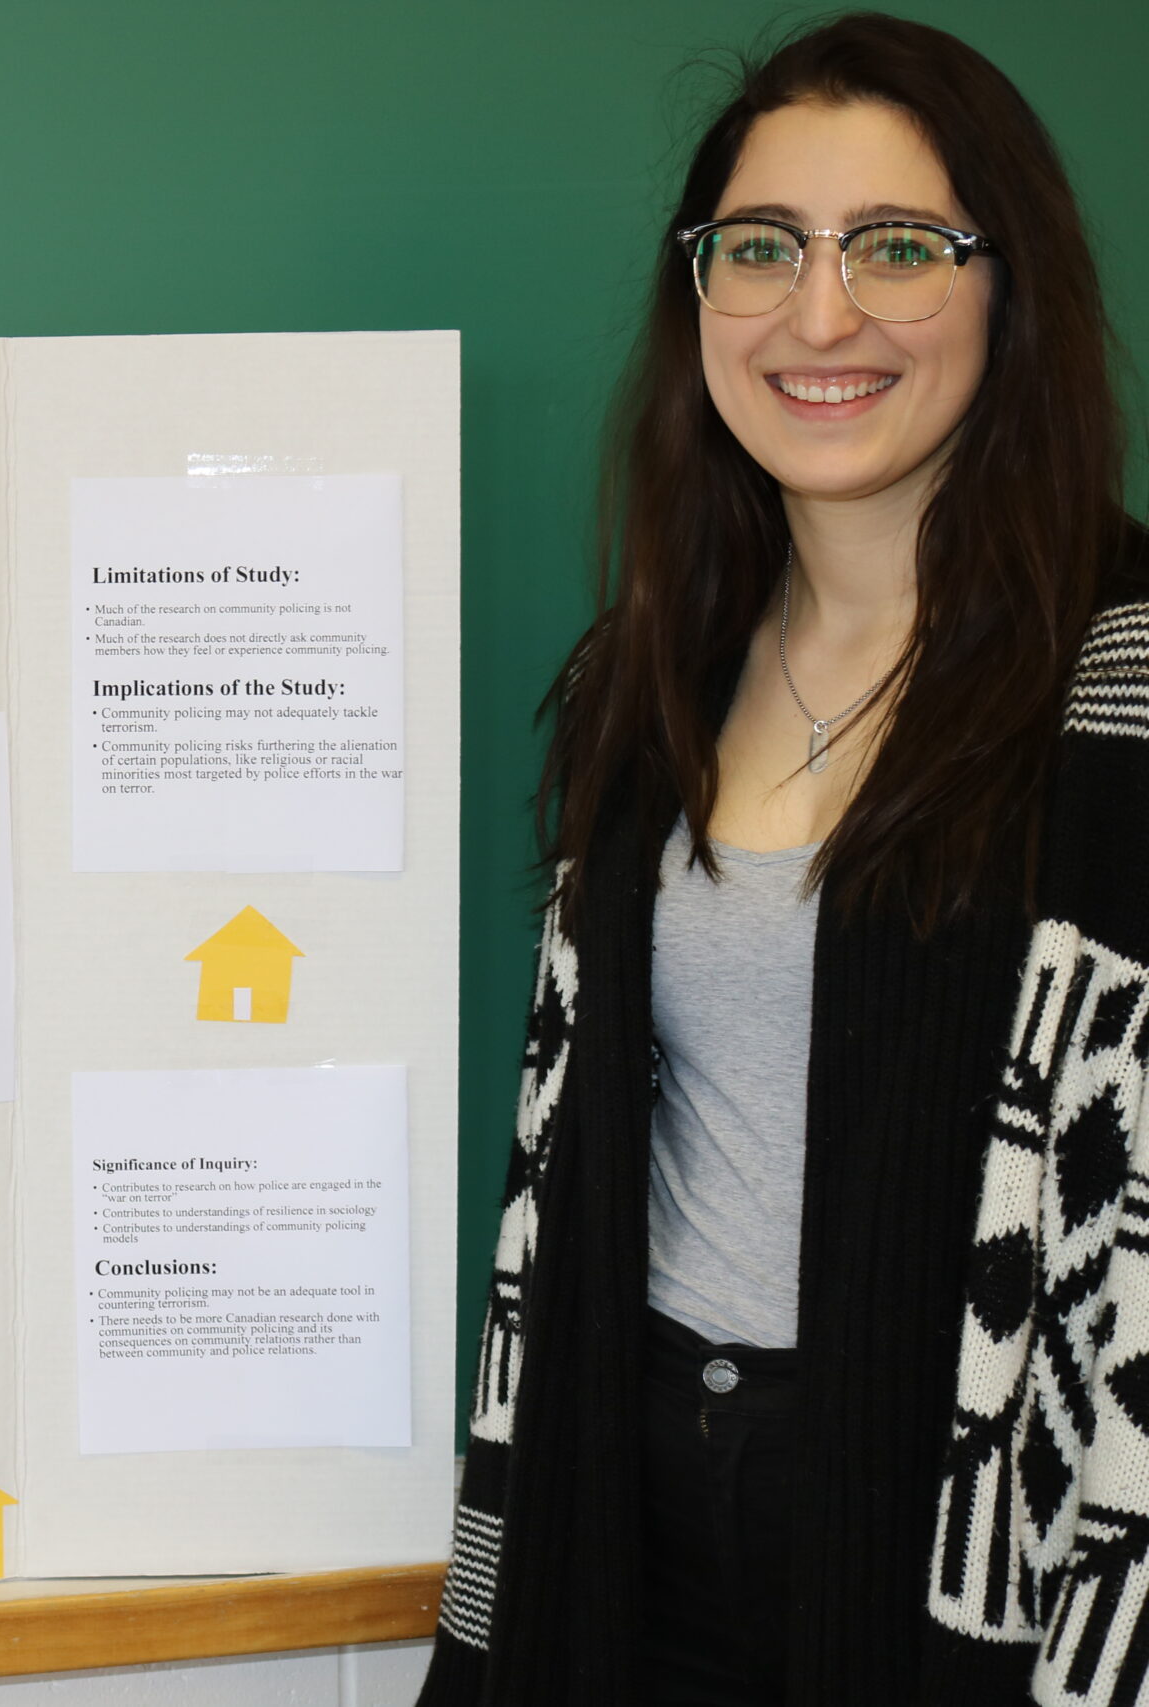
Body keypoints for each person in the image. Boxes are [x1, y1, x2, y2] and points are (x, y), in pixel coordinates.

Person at [418, 13, 1149, 1704]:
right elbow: (564, 1164)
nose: (820, 315)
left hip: (965, 1535)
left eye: (897, 248)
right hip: (633, 1502)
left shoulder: (1120, 685)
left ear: (1010, 290)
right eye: (761, 248)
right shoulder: (643, 674)